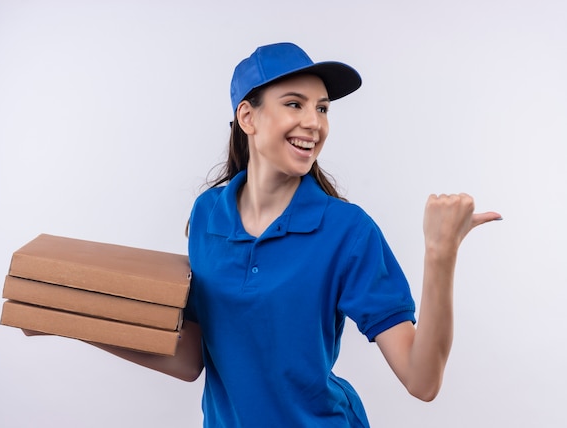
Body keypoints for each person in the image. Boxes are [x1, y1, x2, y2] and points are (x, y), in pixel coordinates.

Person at [30, 42, 502, 427]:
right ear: (248, 117)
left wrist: (441, 255)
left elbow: (422, 381)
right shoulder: (207, 216)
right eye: (294, 104)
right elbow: (191, 359)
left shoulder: (347, 231)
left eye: (322, 108)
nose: (314, 123)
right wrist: (74, 321)